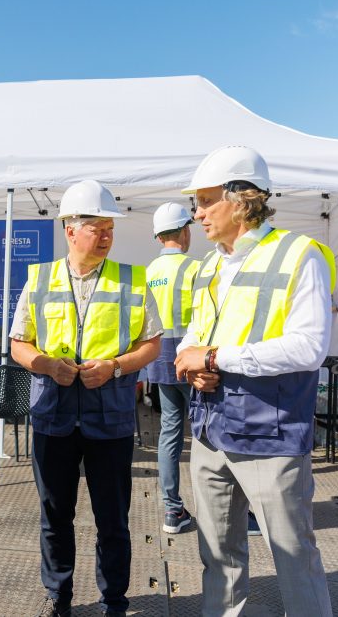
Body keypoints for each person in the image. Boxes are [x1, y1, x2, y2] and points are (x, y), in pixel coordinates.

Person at [174, 146, 335, 616]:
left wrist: (218, 357)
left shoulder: (300, 254)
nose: (196, 214)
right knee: (217, 556)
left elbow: (309, 346)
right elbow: (196, 334)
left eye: (204, 201)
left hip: (271, 434)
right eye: (194, 205)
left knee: (293, 556)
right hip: (210, 430)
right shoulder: (208, 264)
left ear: (241, 200)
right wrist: (196, 358)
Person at [10, 180, 162, 617]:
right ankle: (58, 598)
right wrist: (45, 365)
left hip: (109, 419)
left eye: (109, 227)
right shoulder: (39, 279)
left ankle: (114, 602)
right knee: (54, 518)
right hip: (53, 418)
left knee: (112, 521)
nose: (106, 235)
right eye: (97, 226)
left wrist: (115, 367)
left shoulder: (133, 280)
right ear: (69, 229)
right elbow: (19, 342)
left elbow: (152, 344)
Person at [144, 202, 200, 534]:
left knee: (170, 432)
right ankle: (224, 510)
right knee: (209, 433)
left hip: (161, 356)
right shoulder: (198, 268)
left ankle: (172, 509)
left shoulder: (148, 271)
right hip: (193, 356)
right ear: (183, 231)